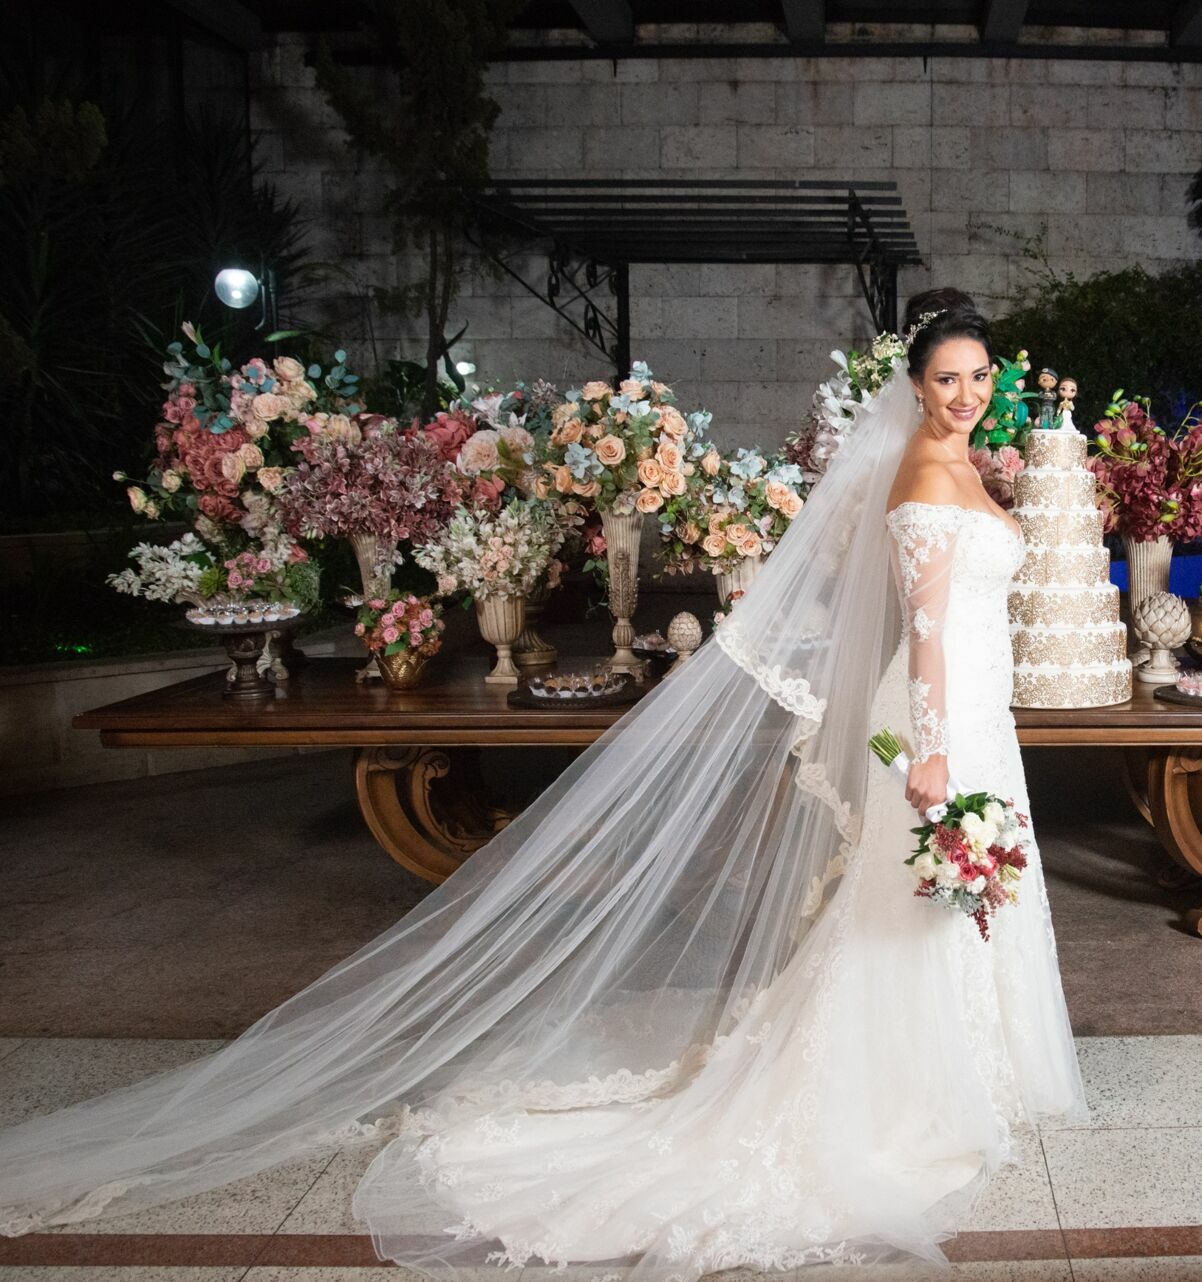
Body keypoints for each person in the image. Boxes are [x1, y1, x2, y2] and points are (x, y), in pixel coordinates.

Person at [0, 287, 1088, 1279]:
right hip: (944, 714)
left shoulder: (969, 466)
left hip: (971, 707)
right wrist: (935, 753)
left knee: (950, 892)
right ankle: (906, 1082)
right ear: (913, 386)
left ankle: (972, 1062)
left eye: (980, 376)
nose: (967, 394)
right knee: (915, 894)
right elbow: (930, 630)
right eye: (947, 377)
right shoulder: (926, 476)